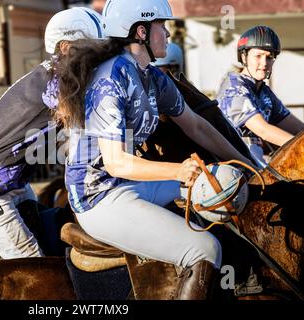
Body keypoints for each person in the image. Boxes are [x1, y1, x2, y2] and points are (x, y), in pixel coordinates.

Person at [56, 0, 255, 299]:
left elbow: (197, 126)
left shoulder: (153, 77)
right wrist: (179, 170)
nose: (168, 34)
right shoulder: (110, 79)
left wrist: (249, 165)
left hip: (130, 185)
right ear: (141, 32)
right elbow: (117, 164)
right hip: (98, 197)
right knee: (204, 249)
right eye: (162, 26)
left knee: (221, 191)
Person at [0, 7, 105, 260]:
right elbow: (87, 127)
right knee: (33, 266)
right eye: (95, 48)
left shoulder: (58, 73)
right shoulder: (59, 82)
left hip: (12, 181)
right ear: (65, 47)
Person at [217, 26, 304, 167]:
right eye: (258, 56)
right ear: (244, 57)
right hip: (232, 164)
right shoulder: (234, 86)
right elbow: (263, 130)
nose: (264, 63)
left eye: (269, 57)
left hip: (253, 160)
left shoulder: (263, 91)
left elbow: (299, 129)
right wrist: (301, 148)